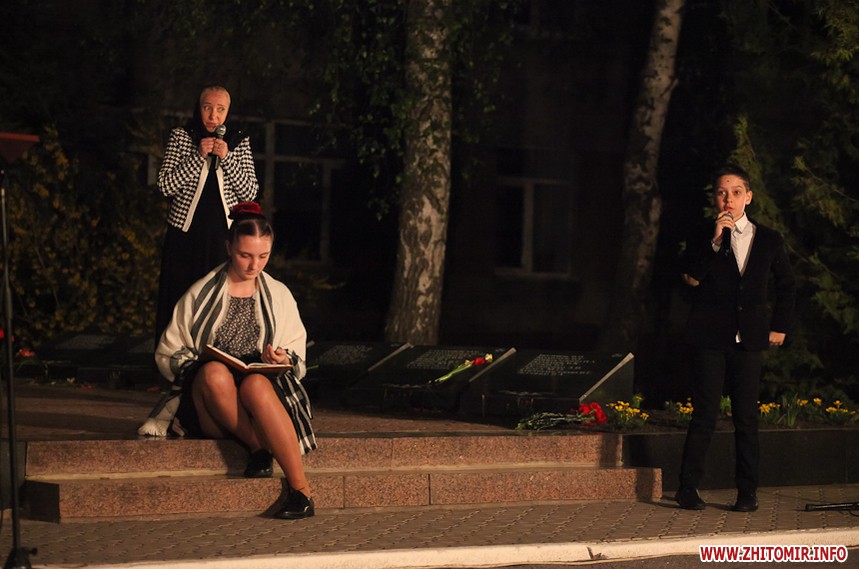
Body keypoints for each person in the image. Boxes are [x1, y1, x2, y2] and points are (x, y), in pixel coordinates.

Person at [139, 202, 316, 520]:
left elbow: (296, 353)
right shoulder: (201, 293)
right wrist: (201, 361)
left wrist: (282, 357)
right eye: (245, 255)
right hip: (210, 400)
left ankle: (301, 491)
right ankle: (257, 447)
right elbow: (169, 352)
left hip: (256, 393)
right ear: (229, 248)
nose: (254, 265)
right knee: (216, 373)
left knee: (256, 384)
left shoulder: (278, 295)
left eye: (263, 256)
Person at [676, 164, 796, 513]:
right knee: (705, 414)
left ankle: (747, 492)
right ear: (715, 198)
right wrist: (715, 242)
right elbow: (691, 279)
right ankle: (688, 488)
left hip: (750, 337)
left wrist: (780, 326)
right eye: (721, 192)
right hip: (709, 336)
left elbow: (787, 285)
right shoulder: (703, 235)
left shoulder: (768, 239)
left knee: (746, 417)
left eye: (736, 192)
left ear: (748, 197)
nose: (728, 199)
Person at [154, 85, 259, 345]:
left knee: (217, 298)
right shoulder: (182, 136)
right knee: (180, 297)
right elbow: (165, 186)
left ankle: (214, 356)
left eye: (220, 109)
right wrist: (197, 156)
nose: (213, 115)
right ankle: (173, 356)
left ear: (228, 113)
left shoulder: (238, 141)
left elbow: (250, 191)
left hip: (223, 237)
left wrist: (228, 158)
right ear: (198, 109)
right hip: (184, 234)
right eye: (207, 108)